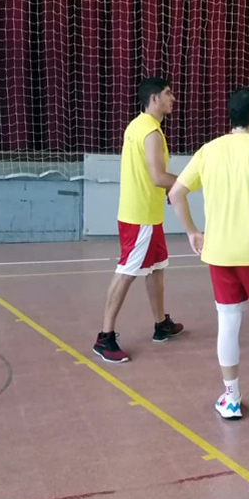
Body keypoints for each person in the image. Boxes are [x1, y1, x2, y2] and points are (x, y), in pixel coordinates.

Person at [168, 88, 249, 423]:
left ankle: (230, 396)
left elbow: (176, 192)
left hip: (219, 253)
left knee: (228, 323)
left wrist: (193, 232)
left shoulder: (208, 150)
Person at [94, 77, 184, 363]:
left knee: (156, 268)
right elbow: (158, 177)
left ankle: (161, 325)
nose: (173, 98)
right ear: (154, 99)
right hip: (140, 216)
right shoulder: (151, 132)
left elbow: (150, 177)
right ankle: (104, 337)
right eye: (168, 94)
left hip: (149, 214)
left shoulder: (139, 125)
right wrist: (187, 183)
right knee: (128, 271)